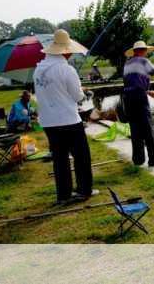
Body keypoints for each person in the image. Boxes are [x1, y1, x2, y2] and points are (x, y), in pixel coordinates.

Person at [33, 29, 97, 204]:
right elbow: (77, 97)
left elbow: (53, 92)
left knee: (60, 159)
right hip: (68, 120)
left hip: (48, 121)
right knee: (81, 156)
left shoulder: (38, 70)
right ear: (66, 51)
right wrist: (86, 94)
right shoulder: (67, 70)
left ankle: (63, 195)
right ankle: (84, 190)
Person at [123, 41, 154, 167]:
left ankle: (138, 160)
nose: (146, 53)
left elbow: (132, 85)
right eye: (145, 51)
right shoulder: (143, 61)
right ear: (142, 50)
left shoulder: (127, 64)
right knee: (148, 129)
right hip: (139, 98)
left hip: (128, 99)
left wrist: (148, 92)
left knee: (135, 129)